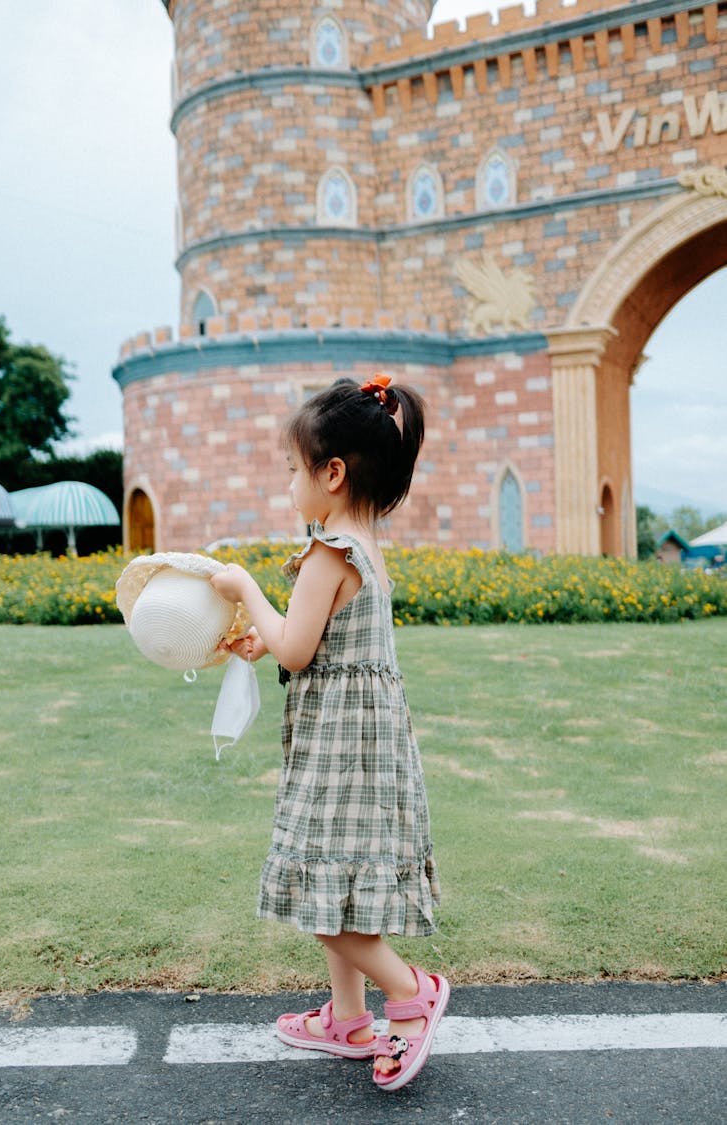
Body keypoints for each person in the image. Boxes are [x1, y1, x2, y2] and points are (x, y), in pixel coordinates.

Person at [210, 374, 448, 1091]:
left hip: (341, 752)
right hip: (366, 746)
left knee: (320, 894)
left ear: (332, 473)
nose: (289, 483)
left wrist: (244, 589)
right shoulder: (365, 547)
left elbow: (297, 651)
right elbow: (313, 642)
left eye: (293, 469)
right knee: (336, 881)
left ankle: (411, 995)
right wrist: (267, 635)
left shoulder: (323, 553)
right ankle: (347, 1018)